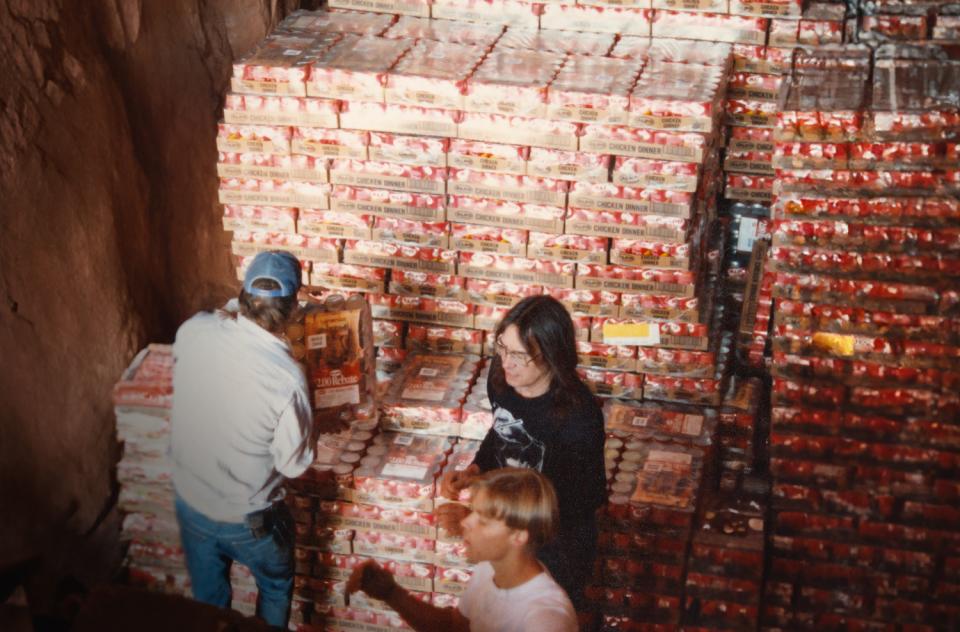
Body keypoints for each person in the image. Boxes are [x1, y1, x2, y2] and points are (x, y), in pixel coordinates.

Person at [170, 250, 316, 629]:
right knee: (275, 585)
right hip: (250, 520)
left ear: (242, 295)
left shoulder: (195, 330)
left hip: (193, 504)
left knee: (208, 607)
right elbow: (293, 464)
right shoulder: (287, 377)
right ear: (293, 309)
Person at [439, 295, 606, 609]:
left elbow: (576, 506)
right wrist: (476, 470)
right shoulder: (501, 380)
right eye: (502, 348)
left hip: (557, 548)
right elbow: (502, 429)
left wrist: (479, 518)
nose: (507, 363)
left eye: (519, 355)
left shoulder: (579, 418)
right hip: (508, 531)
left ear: (551, 356)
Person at [347, 468, 577, 632]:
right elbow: (455, 627)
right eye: (471, 511)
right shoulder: (489, 570)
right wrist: (391, 593)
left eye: (483, 520)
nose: (466, 522)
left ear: (518, 536)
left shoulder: (545, 619)